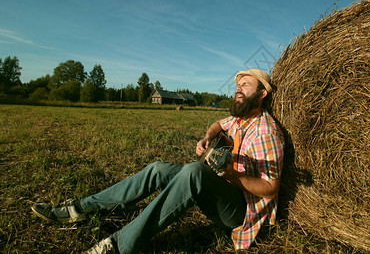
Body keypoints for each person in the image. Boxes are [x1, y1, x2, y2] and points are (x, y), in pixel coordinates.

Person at [31, 69, 284, 254]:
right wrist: (208, 137)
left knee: (194, 172)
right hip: (226, 190)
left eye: (246, 85)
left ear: (262, 93)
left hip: (242, 212)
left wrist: (232, 175)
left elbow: (271, 189)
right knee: (158, 168)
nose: (238, 88)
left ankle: (118, 246)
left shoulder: (265, 132)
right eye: (237, 85)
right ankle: (82, 209)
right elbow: (219, 124)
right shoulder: (241, 119)